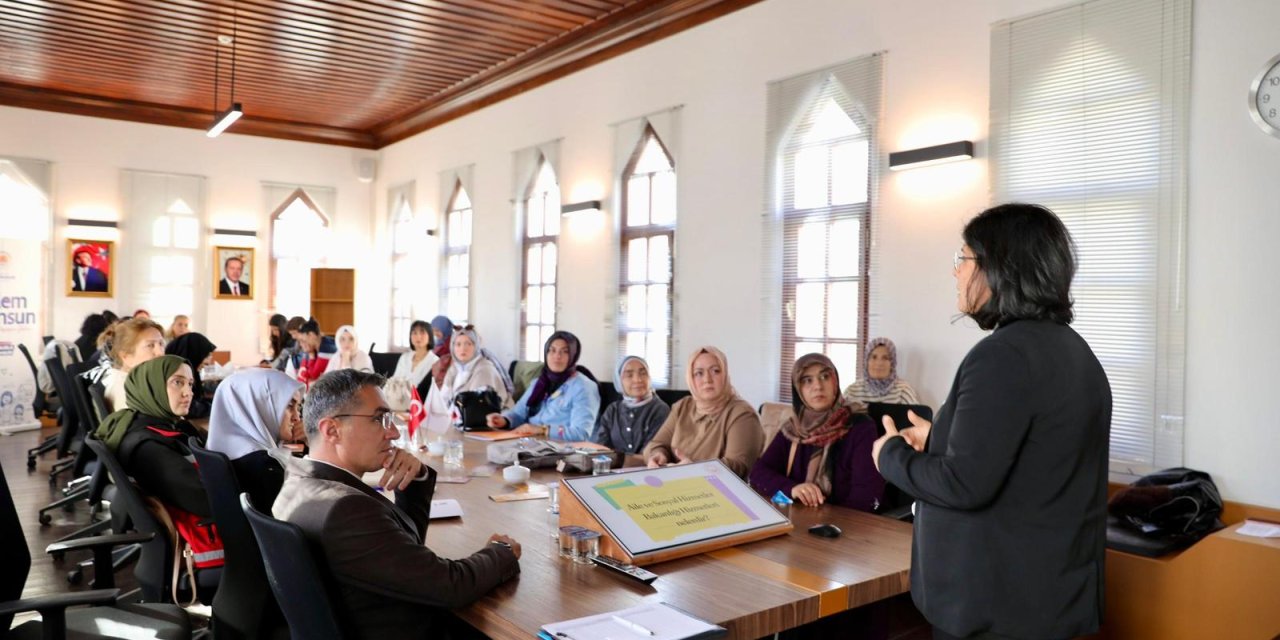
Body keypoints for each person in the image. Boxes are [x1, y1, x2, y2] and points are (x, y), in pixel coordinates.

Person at [873, 203, 1111, 640]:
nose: (956, 274)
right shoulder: (1073, 350)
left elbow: (964, 484)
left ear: (998, 268)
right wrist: (940, 436)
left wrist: (889, 455)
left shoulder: (1003, 356)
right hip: (1047, 599)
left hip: (999, 610)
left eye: (962, 259)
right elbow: (1030, 456)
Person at [273, 369, 521, 639]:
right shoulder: (345, 510)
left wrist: (415, 480)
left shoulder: (297, 481)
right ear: (332, 430)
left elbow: (403, 554)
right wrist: (501, 551)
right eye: (380, 419)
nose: (393, 432)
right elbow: (451, 585)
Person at [94, 355, 222, 567]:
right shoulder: (149, 447)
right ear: (151, 386)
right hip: (201, 547)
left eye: (190, 384)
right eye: (177, 382)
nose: (188, 392)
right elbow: (208, 502)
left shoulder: (152, 427)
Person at [750, 353, 884, 511]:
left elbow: (866, 497)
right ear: (798, 390)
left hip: (846, 524)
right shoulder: (793, 429)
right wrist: (792, 489)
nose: (818, 386)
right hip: (800, 520)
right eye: (807, 380)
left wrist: (828, 520)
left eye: (825, 377)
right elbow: (758, 473)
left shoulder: (861, 427)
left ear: (835, 382)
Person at [643, 346, 763, 478]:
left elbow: (738, 466)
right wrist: (659, 455)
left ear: (725, 375)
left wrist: (695, 469)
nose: (707, 379)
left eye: (715, 371)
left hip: (720, 493)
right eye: (699, 373)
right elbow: (655, 444)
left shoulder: (742, 415)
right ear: (690, 378)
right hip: (675, 485)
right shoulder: (683, 406)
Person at [206, 368, 304, 509]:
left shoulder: (220, 448)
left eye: (298, 407)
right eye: (289, 406)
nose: (297, 417)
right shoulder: (265, 467)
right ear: (260, 407)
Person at [486, 331, 599, 441]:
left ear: (573, 356)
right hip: (530, 444)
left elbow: (581, 433)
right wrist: (504, 420)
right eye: (552, 350)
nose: (557, 356)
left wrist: (543, 430)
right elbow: (518, 413)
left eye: (564, 352)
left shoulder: (584, 387)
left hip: (562, 451)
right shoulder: (539, 383)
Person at [426, 326, 512, 432]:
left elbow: (475, 408)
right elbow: (442, 400)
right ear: (452, 347)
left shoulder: (484, 369)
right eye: (458, 344)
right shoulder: (455, 368)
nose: (463, 349)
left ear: (476, 346)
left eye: (469, 344)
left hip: (486, 428)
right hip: (462, 425)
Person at [594, 356, 671, 455]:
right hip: (610, 467)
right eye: (629, 375)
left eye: (643, 373)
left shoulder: (660, 409)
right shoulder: (612, 410)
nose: (637, 380)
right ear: (619, 381)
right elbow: (601, 447)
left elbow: (650, 452)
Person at [99, 318, 167, 411]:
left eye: (161, 344)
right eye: (150, 345)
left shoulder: (135, 383)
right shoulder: (127, 392)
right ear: (126, 356)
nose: (160, 352)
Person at [842, 337, 921, 405]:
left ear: (892, 364)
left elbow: (917, 419)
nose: (879, 363)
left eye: (885, 358)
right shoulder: (852, 392)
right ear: (866, 361)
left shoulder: (903, 391)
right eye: (874, 357)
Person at [165, 332, 218, 420]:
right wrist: (217, 407)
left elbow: (197, 401)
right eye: (207, 356)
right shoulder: (173, 375)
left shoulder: (191, 374)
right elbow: (190, 408)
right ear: (194, 353)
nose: (208, 362)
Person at [392, 320, 437, 393]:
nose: (418, 337)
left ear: (430, 336)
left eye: (422, 333)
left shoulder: (435, 361)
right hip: (398, 399)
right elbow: (394, 381)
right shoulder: (404, 357)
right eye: (414, 333)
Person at [291, 318, 336, 384]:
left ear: (311, 335)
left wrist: (311, 355)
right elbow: (305, 375)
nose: (301, 344)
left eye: (303, 340)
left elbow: (313, 375)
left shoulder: (327, 347)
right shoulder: (317, 347)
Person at [427, 315, 453, 388]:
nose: (435, 333)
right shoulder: (438, 342)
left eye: (438, 330)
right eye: (433, 330)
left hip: (444, 380)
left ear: (445, 329)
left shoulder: (451, 343)